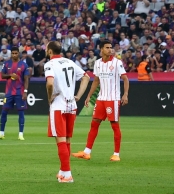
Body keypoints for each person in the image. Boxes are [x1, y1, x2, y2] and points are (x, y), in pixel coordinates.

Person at [73, 41, 129, 162]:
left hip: (112, 99)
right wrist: (89, 96)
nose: (110, 50)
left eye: (111, 47)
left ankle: (116, 154)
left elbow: (125, 79)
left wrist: (125, 94)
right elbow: (96, 81)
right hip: (101, 98)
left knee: (114, 125)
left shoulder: (117, 62)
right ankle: (87, 152)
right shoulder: (98, 63)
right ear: (101, 49)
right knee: (94, 124)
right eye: (107, 48)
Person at [45, 40, 90, 183]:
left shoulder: (50, 64)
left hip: (59, 105)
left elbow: (50, 83)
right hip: (72, 105)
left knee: (60, 140)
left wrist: (49, 97)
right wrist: (78, 96)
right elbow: (86, 77)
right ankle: (63, 171)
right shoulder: (70, 62)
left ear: (50, 51)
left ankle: (68, 174)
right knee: (67, 139)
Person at [0, 47, 30, 141]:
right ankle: (1, 133)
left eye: (16, 53)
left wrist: (25, 91)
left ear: (19, 54)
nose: (14, 55)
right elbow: (2, 76)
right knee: (4, 112)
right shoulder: (6, 63)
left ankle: (21, 134)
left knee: (21, 113)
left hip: (19, 92)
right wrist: (10, 75)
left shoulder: (24, 65)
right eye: (12, 53)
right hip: (9, 92)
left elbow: (26, 79)